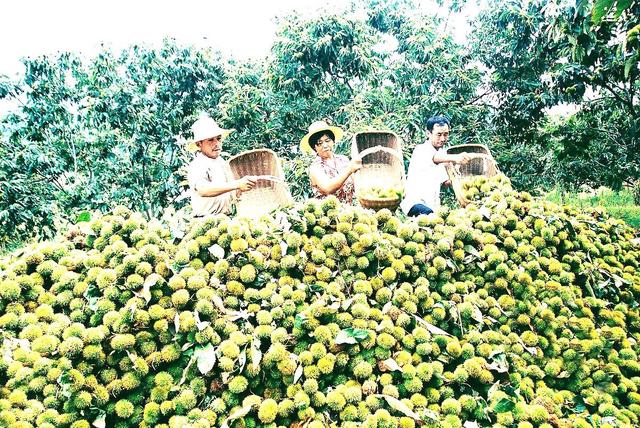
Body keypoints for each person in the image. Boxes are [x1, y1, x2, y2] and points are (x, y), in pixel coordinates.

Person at [186, 114, 256, 217]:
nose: (216, 144)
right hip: (205, 221)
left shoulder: (222, 163)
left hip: (226, 219)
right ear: (199, 144)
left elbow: (229, 192)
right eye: (210, 140)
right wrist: (237, 184)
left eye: (218, 139)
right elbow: (203, 189)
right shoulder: (197, 165)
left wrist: (240, 189)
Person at [401, 115, 470, 216]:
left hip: (432, 207)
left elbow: (446, 183)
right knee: (429, 215)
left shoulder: (442, 154)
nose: (442, 138)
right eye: (439, 134)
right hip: (415, 204)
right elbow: (435, 158)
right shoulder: (421, 149)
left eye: (445, 134)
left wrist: (462, 179)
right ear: (429, 133)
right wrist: (456, 158)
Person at [300, 120, 362, 204]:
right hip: (326, 215)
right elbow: (328, 188)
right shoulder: (315, 168)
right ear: (314, 148)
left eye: (327, 140)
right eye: (319, 143)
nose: (325, 145)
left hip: (349, 212)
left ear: (333, 141)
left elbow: (357, 184)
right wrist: (349, 169)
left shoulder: (343, 160)